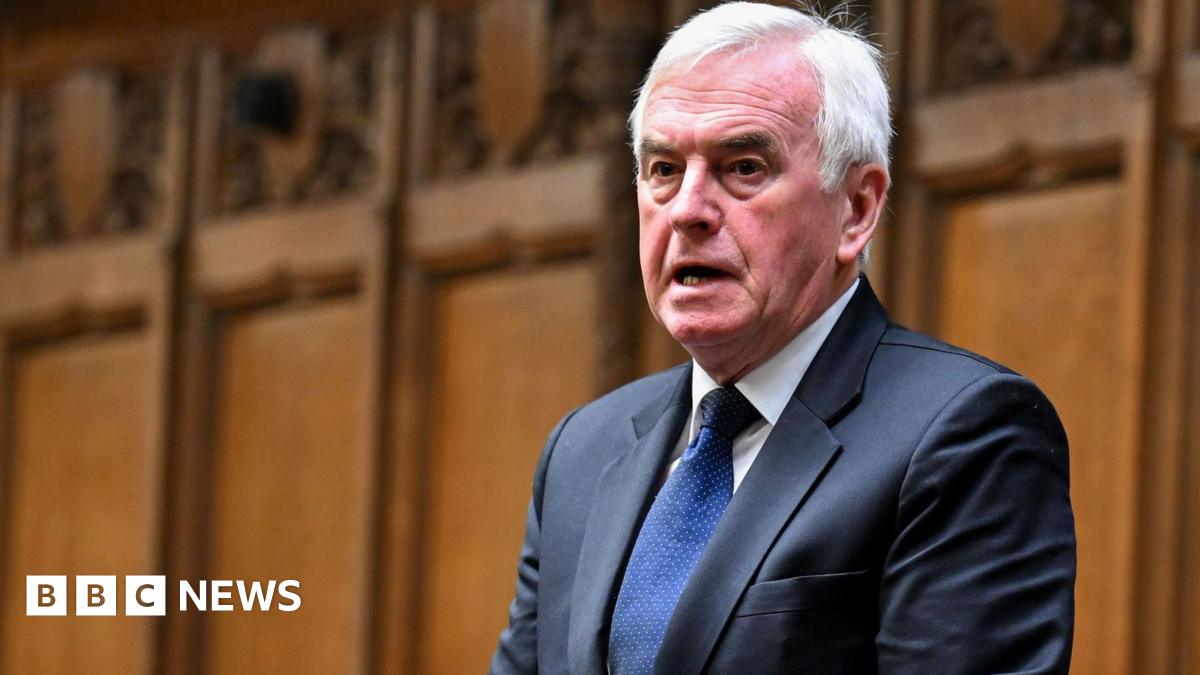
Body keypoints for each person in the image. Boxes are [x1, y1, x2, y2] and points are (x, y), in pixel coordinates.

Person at [490, 3, 1076, 673]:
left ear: (856, 209)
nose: (688, 210)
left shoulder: (965, 434)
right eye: (662, 170)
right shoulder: (582, 450)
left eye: (743, 167)